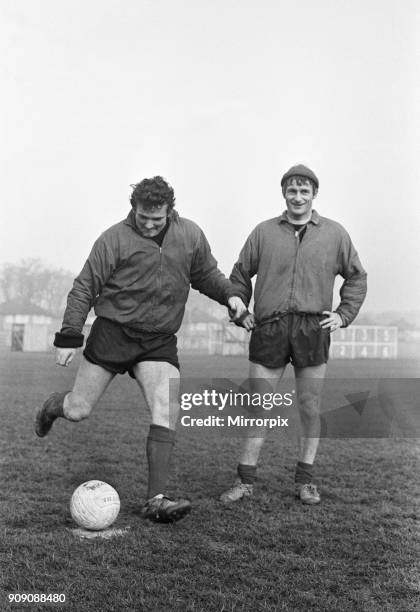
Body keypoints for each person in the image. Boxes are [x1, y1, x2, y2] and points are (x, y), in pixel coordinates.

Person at [35, 176, 247, 523]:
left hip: (158, 339)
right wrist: (71, 335)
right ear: (133, 208)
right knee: (78, 409)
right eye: (142, 217)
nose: (149, 225)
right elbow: (85, 287)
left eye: (157, 219)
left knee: (167, 406)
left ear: (170, 211)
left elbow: (206, 274)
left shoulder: (190, 235)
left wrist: (231, 296)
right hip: (113, 333)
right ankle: (53, 407)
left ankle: (156, 500)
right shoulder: (113, 239)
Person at [220, 164, 367, 505]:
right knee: (260, 407)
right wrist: (239, 308)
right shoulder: (263, 232)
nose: (298, 196)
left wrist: (344, 315)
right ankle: (245, 481)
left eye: (304, 190)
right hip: (269, 328)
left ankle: (306, 481)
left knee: (309, 406)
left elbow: (357, 277)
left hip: (311, 328)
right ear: (283, 193)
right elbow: (240, 274)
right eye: (292, 190)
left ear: (314, 194)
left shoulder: (335, 234)